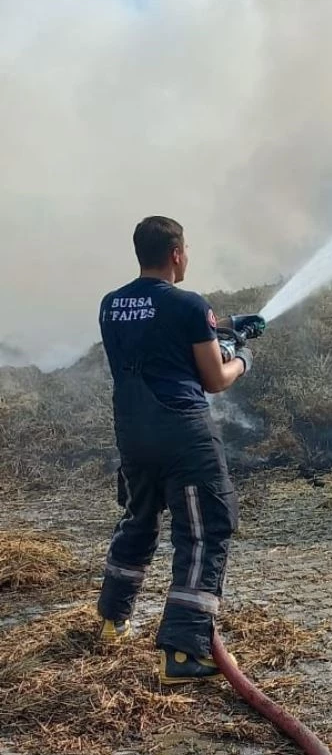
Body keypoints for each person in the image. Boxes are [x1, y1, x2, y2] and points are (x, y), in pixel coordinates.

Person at [96, 215, 264, 684]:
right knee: (204, 530)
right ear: (175, 253)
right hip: (182, 436)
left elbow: (155, 335)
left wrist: (225, 325)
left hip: (132, 434)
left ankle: (113, 619)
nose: (187, 256)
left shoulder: (111, 305)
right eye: (186, 249)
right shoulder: (189, 304)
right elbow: (214, 378)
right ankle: (184, 654)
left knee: (138, 519)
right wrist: (242, 358)